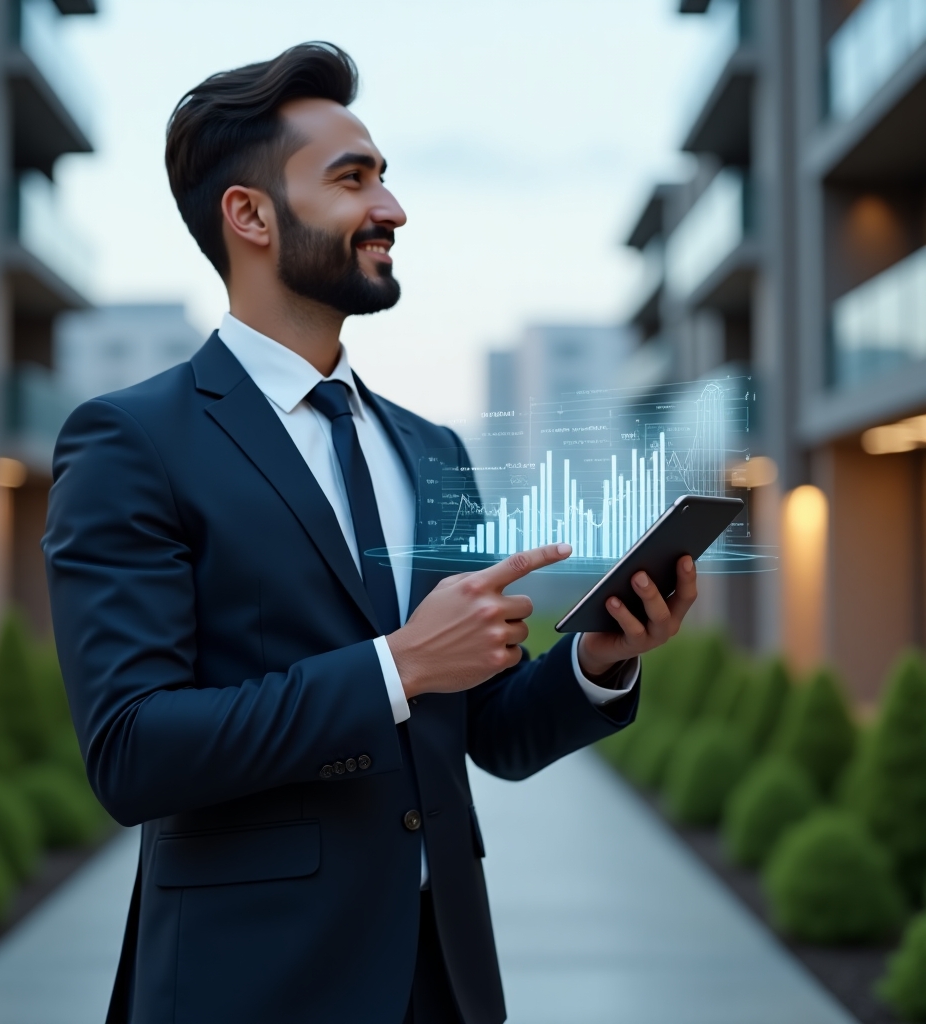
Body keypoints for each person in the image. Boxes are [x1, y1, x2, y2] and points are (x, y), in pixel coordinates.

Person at [42, 42, 697, 1024]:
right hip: (248, 986)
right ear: (249, 214)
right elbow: (134, 751)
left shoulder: (432, 451)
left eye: (386, 176)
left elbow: (485, 732)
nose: (391, 208)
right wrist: (394, 667)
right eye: (353, 179)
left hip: (444, 980)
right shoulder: (132, 441)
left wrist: (597, 660)